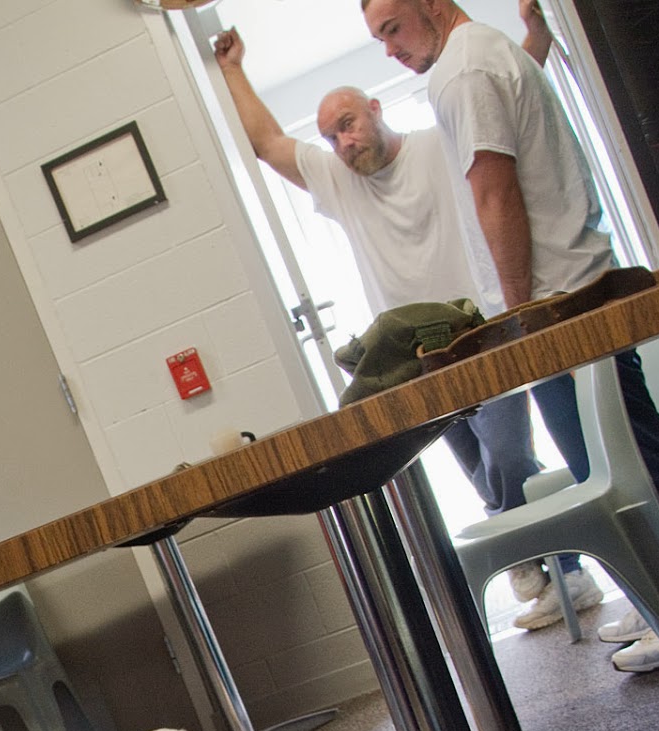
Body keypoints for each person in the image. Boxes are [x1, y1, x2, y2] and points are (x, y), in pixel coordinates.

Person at [361, 0, 659, 672]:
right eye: (379, 38)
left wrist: (520, 324)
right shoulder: (485, 52)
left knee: (628, 466)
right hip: (567, 295)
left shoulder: (461, 71)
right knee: (624, 457)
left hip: (555, 307)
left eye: (393, 28)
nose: (389, 49)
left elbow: (497, 193)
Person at [215, 10, 601, 629]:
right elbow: (267, 144)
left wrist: (540, 35)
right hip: (411, 358)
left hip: (476, 331)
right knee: (477, 467)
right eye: (330, 137)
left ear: (374, 109)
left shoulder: (436, 143)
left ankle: (560, 569)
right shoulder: (338, 181)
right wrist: (232, 69)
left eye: (347, 124)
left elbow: (505, 99)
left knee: (508, 455)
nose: (342, 143)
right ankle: (555, 573)